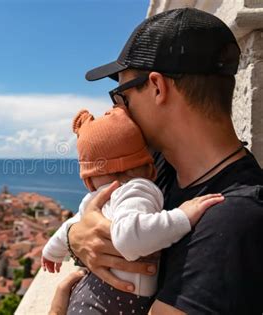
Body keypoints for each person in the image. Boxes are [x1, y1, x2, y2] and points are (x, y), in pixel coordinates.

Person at [57, 7, 263, 315]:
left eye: (121, 96)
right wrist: (76, 238)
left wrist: (57, 309)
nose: (119, 111)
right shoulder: (156, 166)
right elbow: (93, 217)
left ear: (157, 87)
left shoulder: (232, 220)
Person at [41, 105, 224, 313]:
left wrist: (52, 252)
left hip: (91, 295)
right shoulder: (136, 189)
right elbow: (130, 239)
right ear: (146, 164)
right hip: (116, 300)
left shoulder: (96, 199)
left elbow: (70, 227)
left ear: (90, 176)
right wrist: (182, 217)